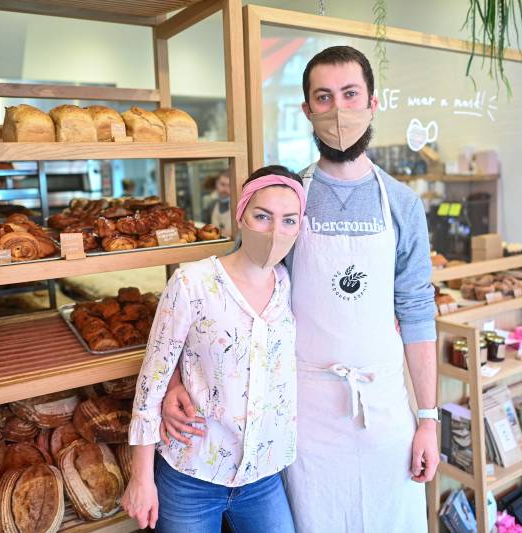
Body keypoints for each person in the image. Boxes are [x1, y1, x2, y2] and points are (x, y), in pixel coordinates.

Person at [161, 45, 439, 532]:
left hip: (385, 408)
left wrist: (430, 418)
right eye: (324, 98)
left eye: (350, 95)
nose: (338, 111)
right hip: (301, 412)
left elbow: (417, 312)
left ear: (373, 103)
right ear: (307, 110)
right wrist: (177, 379)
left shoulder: (402, 204)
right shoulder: (288, 201)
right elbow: (234, 295)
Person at [122, 165, 306, 533]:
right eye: (262, 216)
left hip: (263, 475)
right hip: (191, 474)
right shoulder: (193, 283)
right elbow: (151, 382)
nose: (274, 232)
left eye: (289, 220)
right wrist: (141, 478)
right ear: (240, 214)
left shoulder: (290, 285)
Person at [207, 169, 232, 237]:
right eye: (222, 184)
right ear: (216, 183)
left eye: (229, 185)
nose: (225, 189)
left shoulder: (238, 205)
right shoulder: (211, 205)